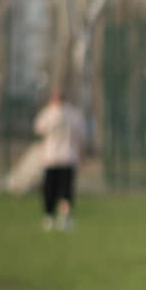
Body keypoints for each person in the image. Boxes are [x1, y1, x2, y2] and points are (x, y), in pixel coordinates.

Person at [33, 90, 86, 231]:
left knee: (51, 189)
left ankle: (49, 217)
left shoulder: (48, 113)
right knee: (65, 190)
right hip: (68, 157)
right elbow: (81, 135)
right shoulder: (74, 115)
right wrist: (81, 154)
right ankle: (64, 218)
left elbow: (38, 128)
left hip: (51, 157)